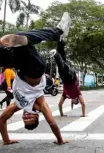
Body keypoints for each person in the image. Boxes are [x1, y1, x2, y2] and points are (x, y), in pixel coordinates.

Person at [0, 12, 71, 145]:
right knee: (21, 36)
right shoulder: (40, 104)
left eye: (25, 118)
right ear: (37, 114)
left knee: (5, 48)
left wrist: (6, 140)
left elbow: (2, 120)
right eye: (30, 117)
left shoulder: (16, 105)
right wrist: (60, 140)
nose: (27, 116)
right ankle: (58, 32)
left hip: (18, 65)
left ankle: (10, 45)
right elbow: (52, 123)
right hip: (35, 69)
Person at [52, 39, 86, 117]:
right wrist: (83, 114)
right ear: (77, 99)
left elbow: (59, 104)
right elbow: (83, 103)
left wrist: (62, 114)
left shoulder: (66, 95)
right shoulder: (77, 92)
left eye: (73, 102)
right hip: (71, 77)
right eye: (75, 101)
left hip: (64, 79)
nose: (73, 100)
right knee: (63, 66)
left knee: (63, 59)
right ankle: (56, 54)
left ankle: (60, 41)